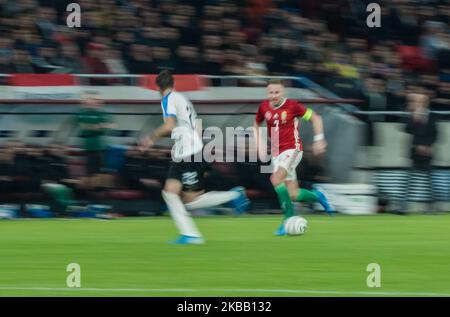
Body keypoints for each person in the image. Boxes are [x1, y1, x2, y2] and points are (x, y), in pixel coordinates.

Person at [139, 70, 250, 245]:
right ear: (173, 84)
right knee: (173, 194)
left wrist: (151, 138)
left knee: (185, 199)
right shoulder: (182, 99)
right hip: (190, 152)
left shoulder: (167, 99)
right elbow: (195, 126)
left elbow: (169, 126)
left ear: (157, 87)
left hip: (188, 154)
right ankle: (230, 198)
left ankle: (194, 233)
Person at [253, 79, 334, 236]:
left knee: (276, 179)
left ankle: (287, 220)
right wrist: (259, 143)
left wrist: (319, 139)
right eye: (271, 92)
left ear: (283, 92)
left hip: (293, 149)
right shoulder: (263, 107)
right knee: (292, 194)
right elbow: (256, 124)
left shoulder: (292, 106)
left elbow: (316, 118)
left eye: (277, 92)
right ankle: (318, 196)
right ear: (267, 93)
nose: (274, 95)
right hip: (277, 153)